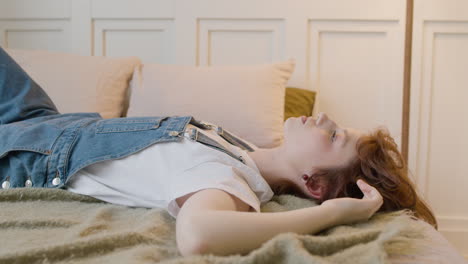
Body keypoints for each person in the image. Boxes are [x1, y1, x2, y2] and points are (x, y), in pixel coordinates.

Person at [0, 46, 435, 257]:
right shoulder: (239, 150)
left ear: (314, 183)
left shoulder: (228, 180)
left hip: (32, 152)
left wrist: (335, 214)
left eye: (335, 136)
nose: (323, 118)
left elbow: (198, 235)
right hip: (51, 120)